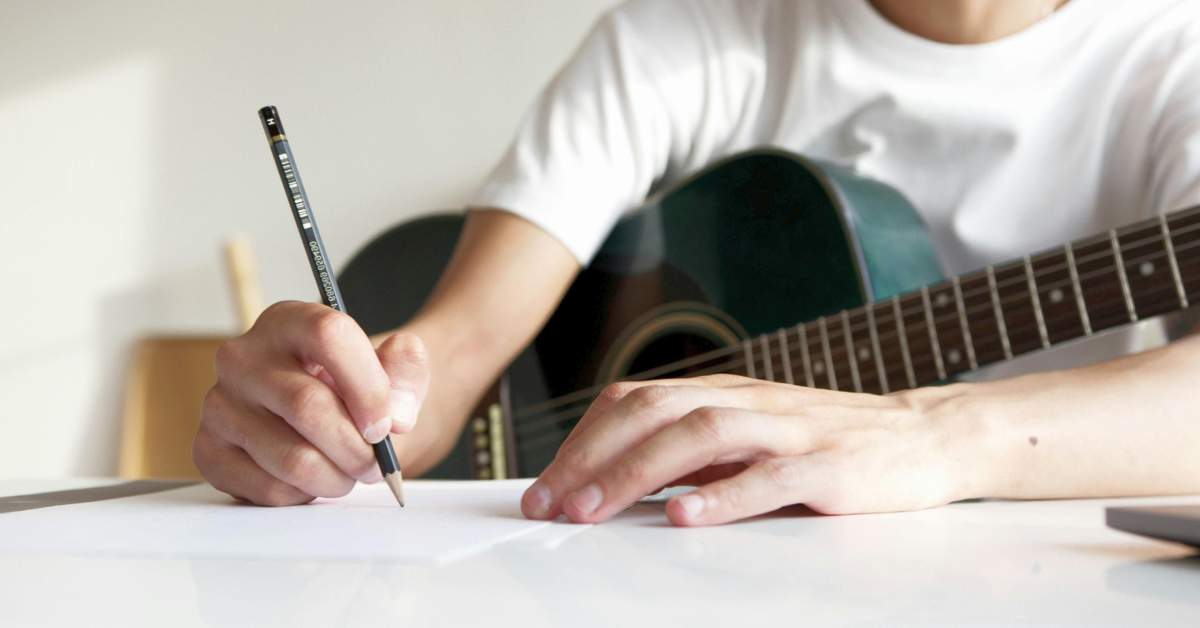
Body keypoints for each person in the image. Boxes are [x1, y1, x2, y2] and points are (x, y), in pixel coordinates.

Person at [194, 0, 1200, 526]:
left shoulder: (1174, 54)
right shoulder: (686, 34)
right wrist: (344, 406)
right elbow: (452, 358)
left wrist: (929, 433)